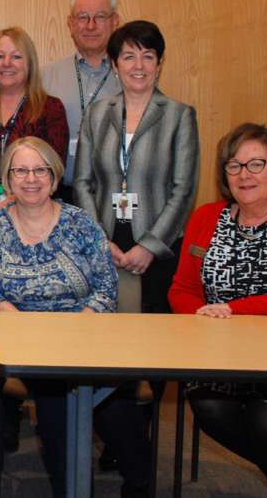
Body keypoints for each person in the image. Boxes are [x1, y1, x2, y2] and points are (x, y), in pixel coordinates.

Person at [0, 137, 153, 496]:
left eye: (40, 170)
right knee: (56, 399)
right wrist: (14, 320)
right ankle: (73, 488)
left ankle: (139, 482)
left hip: (85, 334)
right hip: (25, 342)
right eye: (21, 171)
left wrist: (80, 326)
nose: (31, 179)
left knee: (113, 397)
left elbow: (106, 288)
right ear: (8, 180)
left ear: (55, 177)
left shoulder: (81, 223)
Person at [169, 123, 267, 497]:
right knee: (208, 406)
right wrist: (202, 314)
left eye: (256, 164)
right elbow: (182, 290)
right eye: (234, 166)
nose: (243, 175)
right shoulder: (206, 218)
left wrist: (234, 310)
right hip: (220, 356)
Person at [74, 20, 199, 314]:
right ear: (115, 66)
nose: (138, 65)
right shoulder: (97, 113)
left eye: (148, 56)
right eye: (129, 56)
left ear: (159, 63)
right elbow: (82, 181)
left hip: (159, 243)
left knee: (155, 336)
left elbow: (184, 190)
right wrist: (99, 240)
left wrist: (150, 246)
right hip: (105, 236)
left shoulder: (178, 116)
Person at [0, 26, 68, 216]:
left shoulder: (50, 109)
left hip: (32, 213)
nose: (6, 63)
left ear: (30, 63)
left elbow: (54, 169)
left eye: (16, 57)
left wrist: (12, 204)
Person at [41, 0, 122, 198]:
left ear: (115, 21)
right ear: (70, 23)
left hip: (115, 197)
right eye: (82, 17)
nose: (91, 25)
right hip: (60, 197)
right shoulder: (45, 78)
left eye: (100, 17)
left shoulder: (132, 78)